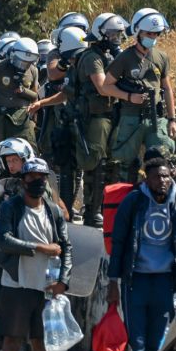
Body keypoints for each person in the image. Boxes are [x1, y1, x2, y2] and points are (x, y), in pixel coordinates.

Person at [0, 157, 72, 351]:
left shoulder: (53, 210)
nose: (37, 182)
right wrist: (39, 248)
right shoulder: (10, 208)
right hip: (16, 285)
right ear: (23, 180)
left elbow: (66, 247)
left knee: (42, 344)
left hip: (46, 287)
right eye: (32, 177)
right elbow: (3, 241)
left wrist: (64, 280)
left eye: (42, 177)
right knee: (12, 342)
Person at [106, 156, 176, 351]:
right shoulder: (133, 202)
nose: (162, 181)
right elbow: (119, 243)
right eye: (156, 177)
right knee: (136, 345)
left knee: (156, 346)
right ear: (147, 180)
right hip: (135, 281)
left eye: (165, 176)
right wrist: (113, 282)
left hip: (164, 282)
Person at [101, 8, 176, 183]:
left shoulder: (161, 57)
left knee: (162, 158)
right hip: (130, 117)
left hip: (156, 118)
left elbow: (167, 88)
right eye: (148, 33)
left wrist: (172, 119)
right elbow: (106, 86)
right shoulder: (124, 58)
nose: (152, 37)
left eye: (156, 34)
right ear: (138, 32)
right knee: (123, 164)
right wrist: (129, 97)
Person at [28, 27, 90, 221]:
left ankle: (76, 208)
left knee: (81, 165)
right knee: (61, 165)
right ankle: (62, 209)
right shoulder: (61, 58)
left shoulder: (87, 59)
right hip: (61, 119)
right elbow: (60, 84)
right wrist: (42, 103)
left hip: (84, 118)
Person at [75, 13, 128, 226]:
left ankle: (107, 208)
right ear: (101, 34)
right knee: (95, 163)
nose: (116, 38)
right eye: (112, 34)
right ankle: (92, 209)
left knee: (112, 163)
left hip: (111, 114)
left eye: (118, 34)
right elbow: (102, 86)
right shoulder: (91, 57)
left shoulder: (110, 56)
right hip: (95, 117)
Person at [0, 37, 40, 151]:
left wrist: (34, 120)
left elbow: (35, 97)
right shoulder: (0, 67)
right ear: (12, 55)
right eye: (20, 61)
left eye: (27, 63)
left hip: (23, 117)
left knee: (28, 149)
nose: (23, 65)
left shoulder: (33, 70)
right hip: (0, 117)